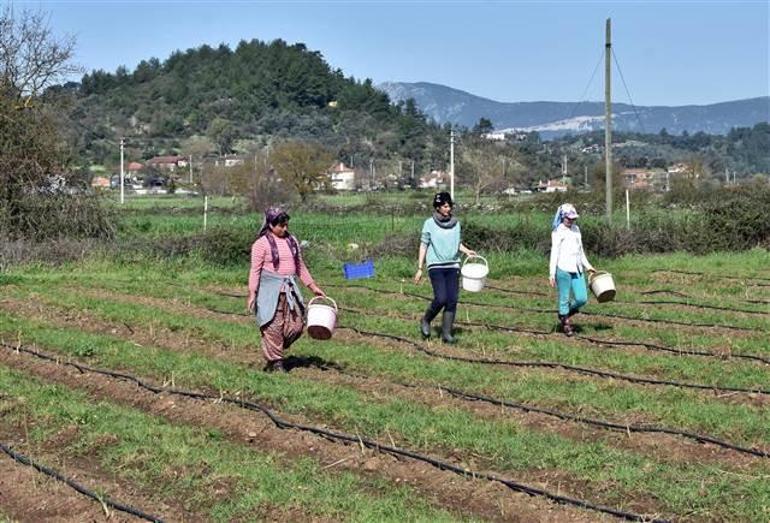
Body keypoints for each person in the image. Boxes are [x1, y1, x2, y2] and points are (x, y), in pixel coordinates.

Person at [247, 207, 324, 372]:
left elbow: (299, 266)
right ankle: (276, 363)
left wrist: (313, 286)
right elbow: (255, 270)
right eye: (281, 226)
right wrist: (252, 293)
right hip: (270, 291)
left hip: (290, 290)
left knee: (296, 326)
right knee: (272, 326)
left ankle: (276, 348)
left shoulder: (292, 241)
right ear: (270, 225)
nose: (285, 229)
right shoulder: (261, 244)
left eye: (286, 225)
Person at [414, 192, 477, 343]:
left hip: (453, 265)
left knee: (452, 300)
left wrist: (467, 251)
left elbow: (456, 243)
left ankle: (446, 334)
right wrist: (420, 268)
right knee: (441, 298)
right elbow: (424, 245)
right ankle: (426, 320)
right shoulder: (429, 223)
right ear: (438, 207)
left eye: (449, 206)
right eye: (445, 206)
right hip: (436, 266)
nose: (448, 208)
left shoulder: (456, 224)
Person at [548, 203, 595, 336]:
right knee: (564, 297)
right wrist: (552, 273)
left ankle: (564, 313)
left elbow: (581, 251)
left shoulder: (576, 229)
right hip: (563, 268)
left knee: (582, 298)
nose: (571, 221)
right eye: (569, 218)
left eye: (573, 218)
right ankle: (566, 323)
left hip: (577, 268)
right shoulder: (557, 231)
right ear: (563, 217)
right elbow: (554, 253)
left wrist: (588, 266)